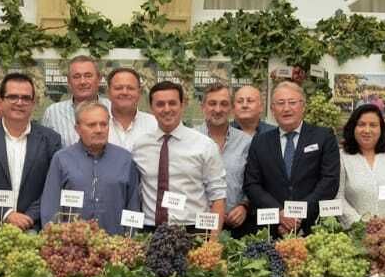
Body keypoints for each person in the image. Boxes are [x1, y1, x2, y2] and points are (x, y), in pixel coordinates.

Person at [0, 72, 63, 230]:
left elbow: (54, 185)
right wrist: (7, 214)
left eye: (25, 98)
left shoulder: (51, 139)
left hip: (33, 228)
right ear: (1, 102)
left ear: (33, 103)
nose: (19, 102)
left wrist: (29, 217)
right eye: (13, 97)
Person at [242, 81, 340, 235]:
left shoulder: (324, 136)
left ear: (303, 106)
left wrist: (297, 213)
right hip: (271, 228)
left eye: (292, 102)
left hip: (314, 227)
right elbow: (251, 184)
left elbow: (330, 181)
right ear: (272, 109)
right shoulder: (260, 141)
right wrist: (280, 213)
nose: (286, 108)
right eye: (280, 103)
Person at [133, 81, 227, 229]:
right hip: (151, 230)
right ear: (151, 108)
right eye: (160, 104)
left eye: (172, 103)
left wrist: (212, 244)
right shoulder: (140, 146)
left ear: (183, 105)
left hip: (193, 229)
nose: (166, 109)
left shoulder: (205, 145)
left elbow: (218, 196)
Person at [40, 101, 142, 234]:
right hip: (73, 247)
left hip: (115, 246)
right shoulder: (61, 159)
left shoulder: (125, 159)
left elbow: (133, 207)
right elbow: (51, 206)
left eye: (103, 124)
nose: (99, 130)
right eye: (91, 125)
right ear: (77, 129)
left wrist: (130, 243)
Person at [196, 83, 252, 232]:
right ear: (203, 107)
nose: (218, 109)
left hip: (237, 225)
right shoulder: (190, 140)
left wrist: (245, 206)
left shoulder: (247, 142)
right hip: (198, 224)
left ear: (232, 109)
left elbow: (255, 181)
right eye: (212, 103)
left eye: (224, 104)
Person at [39, 55, 108, 147]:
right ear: (68, 81)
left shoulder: (112, 108)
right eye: (76, 77)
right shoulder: (53, 113)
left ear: (99, 79)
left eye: (88, 76)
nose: (82, 82)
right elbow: (45, 149)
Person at [105, 67, 157, 151]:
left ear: (139, 93)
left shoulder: (154, 124)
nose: (124, 92)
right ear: (108, 93)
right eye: (118, 88)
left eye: (130, 88)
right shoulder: (96, 125)